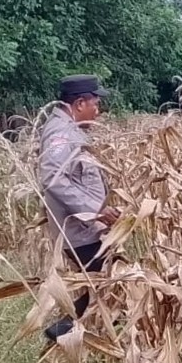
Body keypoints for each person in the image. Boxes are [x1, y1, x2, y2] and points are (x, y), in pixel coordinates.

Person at [38, 74, 119, 342]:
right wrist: (95, 209)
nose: (99, 110)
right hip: (79, 228)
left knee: (99, 283)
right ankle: (63, 334)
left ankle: (79, 332)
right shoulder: (62, 133)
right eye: (95, 104)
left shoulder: (71, 129)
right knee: (105, 284)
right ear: (79, 103)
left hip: (86, 226)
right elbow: (52, 177)